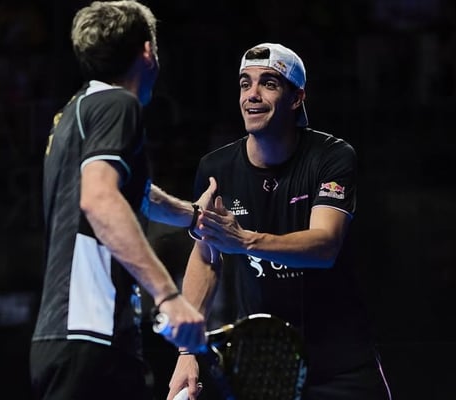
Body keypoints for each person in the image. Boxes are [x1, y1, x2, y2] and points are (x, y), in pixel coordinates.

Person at [167, 43, 392, 400]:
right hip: (266, 365)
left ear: (296, 98)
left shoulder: (332, 157)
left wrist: (244, 240)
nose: (252, 95)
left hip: (342, 362)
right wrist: (186, 351)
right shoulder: (215, 168)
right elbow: (206, 257)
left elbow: (325, 245)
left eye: (268, 83)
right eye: (245, 83)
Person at [29, 2, 215, 399]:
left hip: (69, 337)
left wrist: (193, 215)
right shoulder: (118, 104)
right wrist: (169, 296)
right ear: (147, 51)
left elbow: (136, 192)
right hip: (91, 337)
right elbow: (100, 199)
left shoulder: (74, 113)